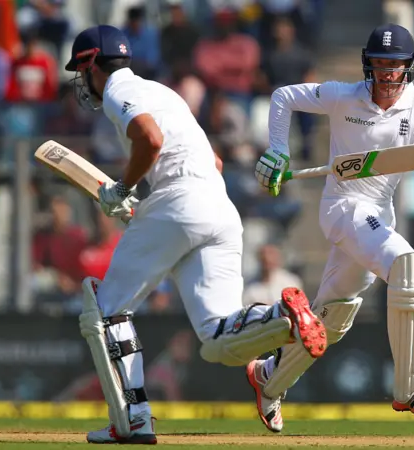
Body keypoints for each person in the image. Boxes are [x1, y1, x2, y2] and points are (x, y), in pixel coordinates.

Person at [63, 25, 327, 444]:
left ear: (91, 64)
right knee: (217, 339)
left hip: (180, 200)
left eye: (82, 70)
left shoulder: (116, 89)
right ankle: (281, 316)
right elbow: (215, 162)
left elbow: (150, 140)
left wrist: (124, 190)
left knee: (106, 309)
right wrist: (154, 208)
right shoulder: (165, 93)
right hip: (219, 207)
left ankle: (133, 421)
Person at [250, 23, 414, 433]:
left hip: (378, 213)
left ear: (408, 68)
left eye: (395, 66)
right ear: (368, 65)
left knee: (330, 321)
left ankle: (269, 377)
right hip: (342, 206)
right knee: (410, 265)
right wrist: (278, 149)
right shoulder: (344, 96)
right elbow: (284, 96)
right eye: (380, 64)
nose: (387, 74)